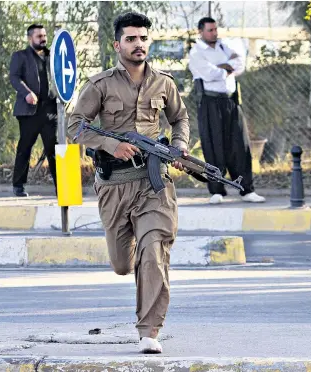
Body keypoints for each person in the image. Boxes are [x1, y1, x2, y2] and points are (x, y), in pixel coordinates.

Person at [68, 12, 189, 354]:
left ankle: (150, 330)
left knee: (154, 249)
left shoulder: (164, 82)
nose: (139, 44)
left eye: (143, 38)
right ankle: (139, 261)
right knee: (123, 264)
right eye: (132, 38)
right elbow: (75, 126)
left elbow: (179, 118)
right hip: (114, 186)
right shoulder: (100, 85)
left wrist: (179, 146)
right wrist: (111, 144)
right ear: (117, 44)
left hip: (154, 186)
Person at [188, 17, 265, 205]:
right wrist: (225, 68)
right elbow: (208, 73)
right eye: (210, 30)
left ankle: (246, 189)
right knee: (214, 146)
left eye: (215, 29)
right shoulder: (197, 52)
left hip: (231, 100)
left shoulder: (224, 47)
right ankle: (216, 191)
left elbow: (240, 64)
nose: (214, 33)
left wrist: (224, 68)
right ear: (201, 32)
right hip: (210, 102)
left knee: (240, 145)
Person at [9, 24, 58, 197]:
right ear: (30, 38)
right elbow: (14, 77)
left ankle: (61, 188)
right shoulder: (20, 56)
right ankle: (18, 186)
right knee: (25, 148)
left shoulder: (53, 56)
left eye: (44, 35)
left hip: (50, 110)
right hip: (29, 111)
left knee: (54, 149)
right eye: (39, 36)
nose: (43, 39)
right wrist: (27, 93)